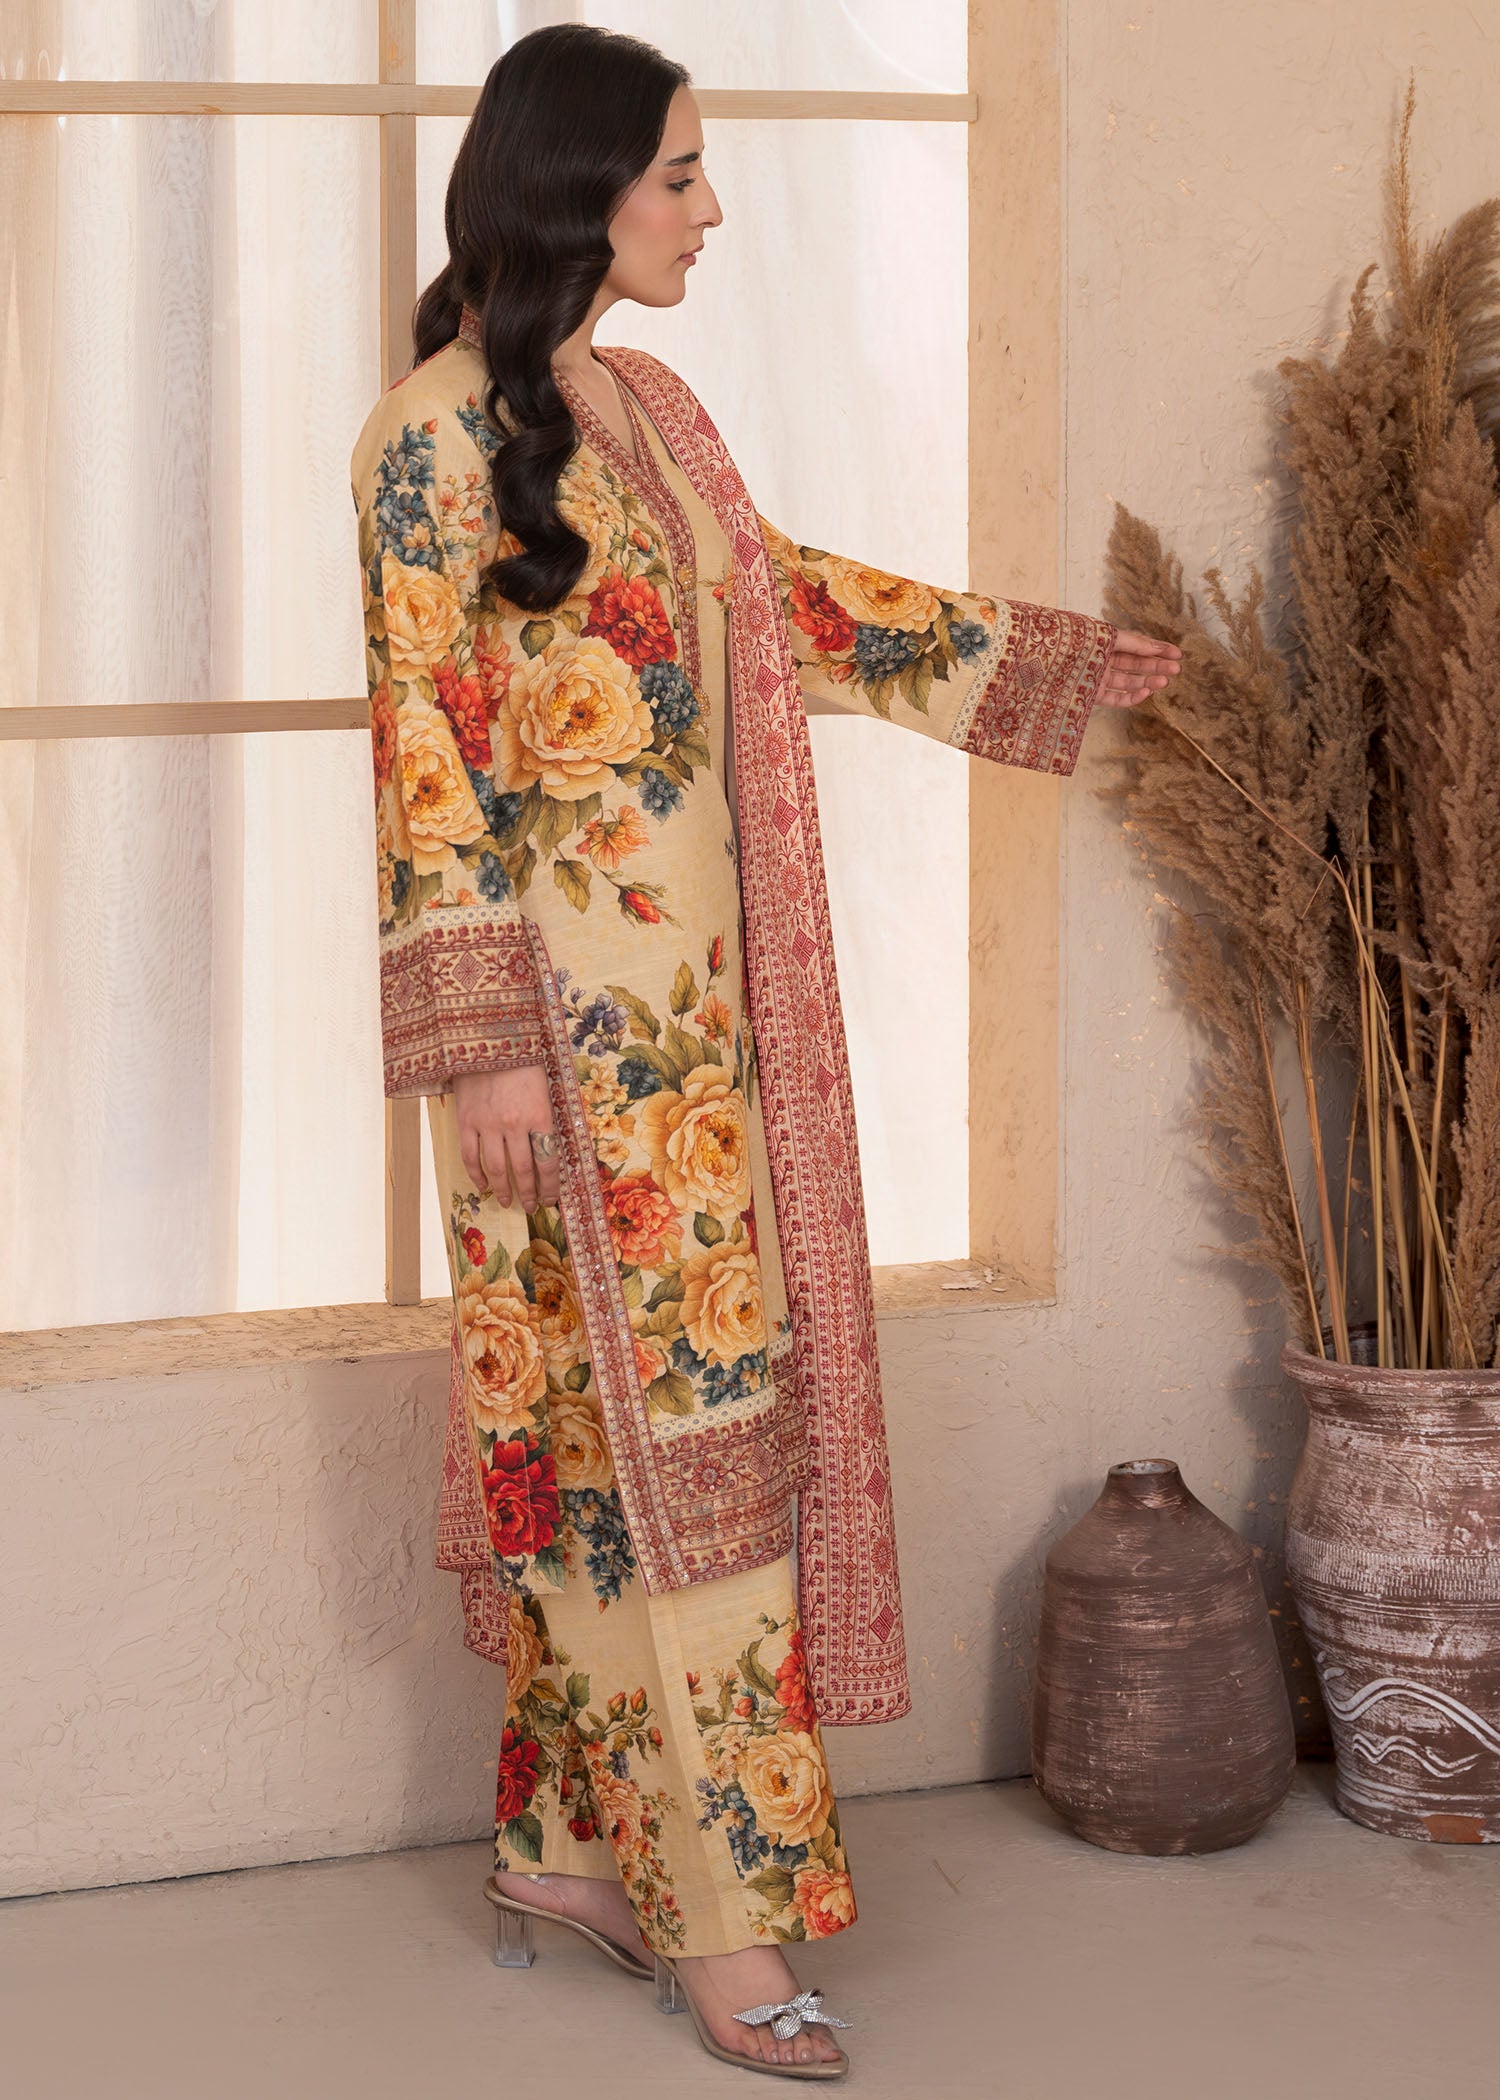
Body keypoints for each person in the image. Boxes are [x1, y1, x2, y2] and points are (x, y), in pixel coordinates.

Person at [349, 22, 1179, 2082]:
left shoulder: (645, 410)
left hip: (697, 1036)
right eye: (682, 175)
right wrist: (484, 1053)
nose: (711, 211)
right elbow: (424, 753)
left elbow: (782, 608)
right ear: (582, 189)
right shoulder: (428, 440)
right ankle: (725, 1926)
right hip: (551, 1053)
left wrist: (1044, 665)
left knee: (620, 1453)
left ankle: (562, 1850)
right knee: (668, 1454)